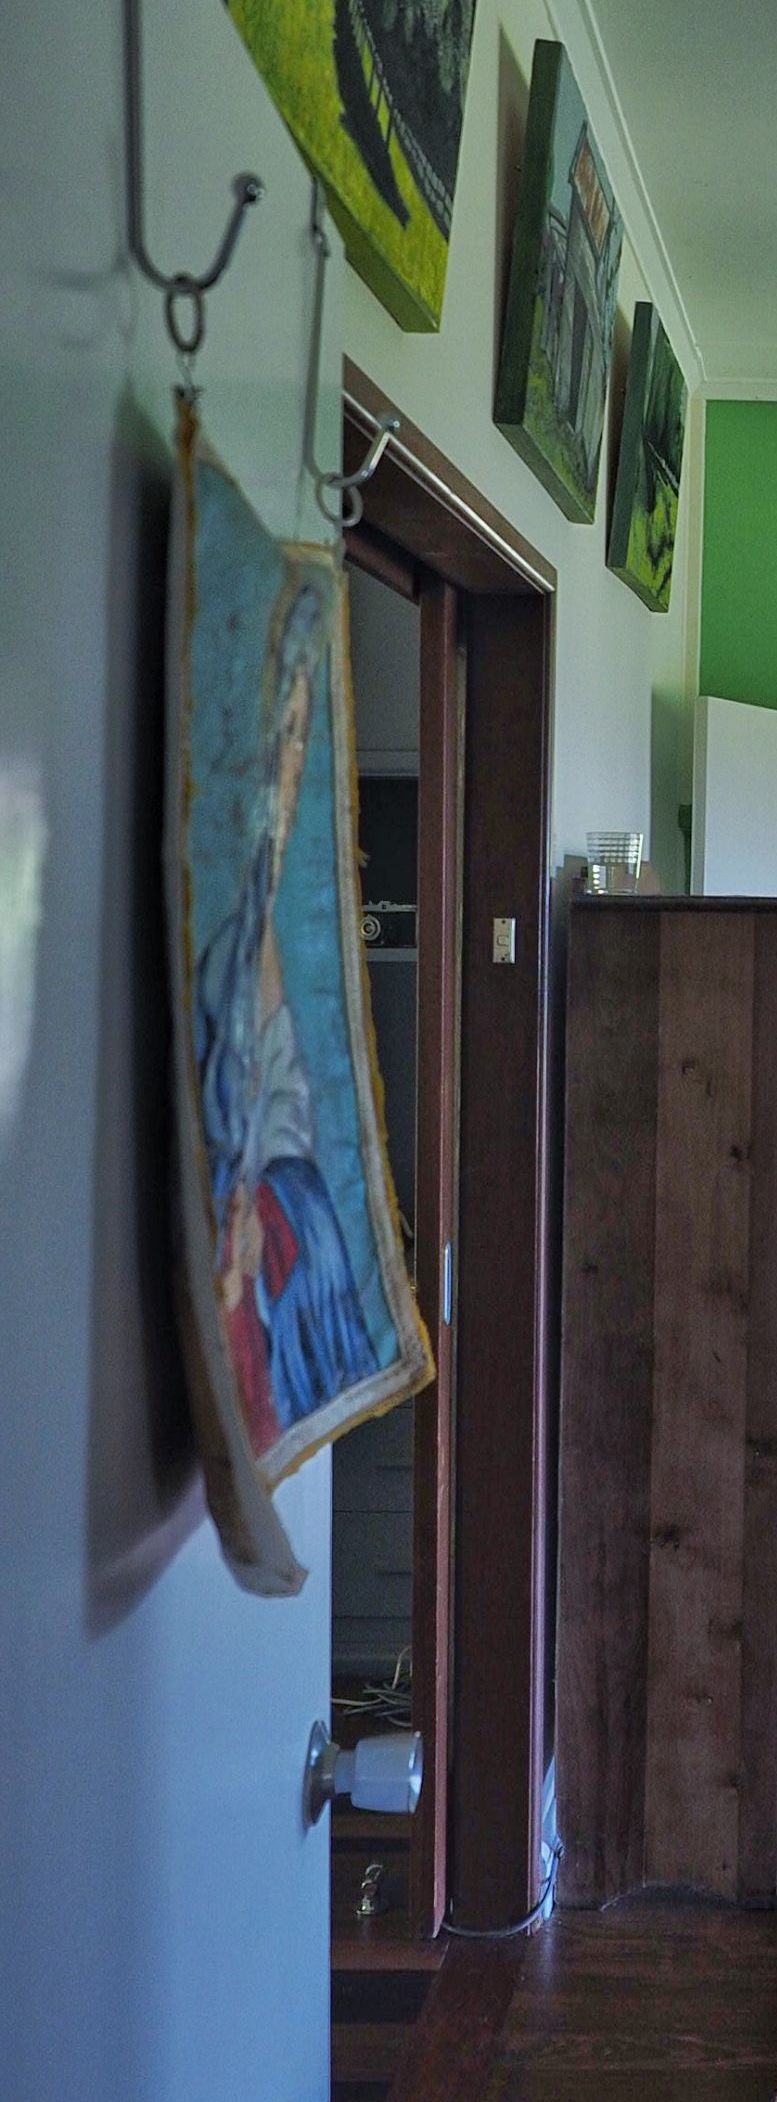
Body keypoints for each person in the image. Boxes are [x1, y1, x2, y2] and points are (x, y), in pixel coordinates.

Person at [194, 571, 375, 1455]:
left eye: (303, 730)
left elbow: (292, 1123)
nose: (291, 758)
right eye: (281, 727)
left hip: (282, 1298)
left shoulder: (288, 923)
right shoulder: (220, 933)